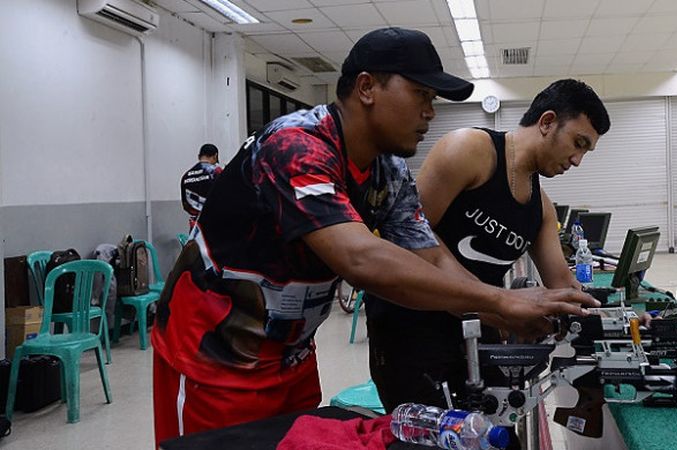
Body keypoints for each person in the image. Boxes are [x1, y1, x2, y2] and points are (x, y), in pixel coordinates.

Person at [150, 28, 597, 446]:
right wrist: (500, 302)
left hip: (290, 358)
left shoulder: (389, 172)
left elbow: (431, 257)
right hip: (213, 358)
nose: (430, 111)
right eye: (421, 94)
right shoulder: (297, 145)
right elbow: (358, 257)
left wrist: (496, 310)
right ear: (366, 88)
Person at [366, 79, 612, 416]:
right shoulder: (470, 151)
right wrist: (499, 305)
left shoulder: (541, 209)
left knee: (492, 432)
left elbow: (564, 286)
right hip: (410, 329)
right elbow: (410, 238)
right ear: (547, 122)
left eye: (586, 150)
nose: (578, 159)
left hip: (473, 334)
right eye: (578, 142)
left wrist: (611, 318)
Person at [180, 143, 222, 229]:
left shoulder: (186, 176)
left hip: (195, 226)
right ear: (215, 156)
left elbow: (185, 205)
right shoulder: (216, 172)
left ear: (199, 156)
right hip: (214, 224)